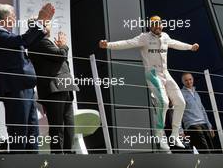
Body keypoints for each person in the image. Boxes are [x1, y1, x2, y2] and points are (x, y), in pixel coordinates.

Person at [99, 15, 199, 151]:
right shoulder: (144, 37)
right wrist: (108, 45)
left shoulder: (165, 36)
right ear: (150, 26)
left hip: (165, 73)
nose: (158, 26)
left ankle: (175, 136)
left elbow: (175, 43)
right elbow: (127, 43)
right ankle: (160, 136)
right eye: (155, 24)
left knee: (181, 102)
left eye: (160, 24)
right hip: (152, 74)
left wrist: (190, 47)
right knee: (163, 102)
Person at [0, 3, 55, 153]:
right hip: (15, 88)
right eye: (13, 16)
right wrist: (39, 21)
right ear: (4, 18)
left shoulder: (7, 35)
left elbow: (27, 41)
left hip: (25, 88)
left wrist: (42, 27)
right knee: (19, 131)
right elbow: (23, 41)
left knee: (32, 133)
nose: (15, 19)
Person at [28, 20, 79, 154]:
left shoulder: (45, 42)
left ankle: (68, 153)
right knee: (57, 126)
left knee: (69, 124)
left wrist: (60, 48)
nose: (51, 26)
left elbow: (62, 62)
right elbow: (60, 55)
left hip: (63, 86)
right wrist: (64, 46)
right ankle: (59, 155)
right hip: (54, 88)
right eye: (48, 24)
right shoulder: (39, 42)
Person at [181, 72, 215, 153]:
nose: (189, 82)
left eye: (190, 79)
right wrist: (180, 130)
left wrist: (209, 126)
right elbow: (178, 113)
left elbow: (203, 110)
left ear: (193, 79)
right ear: (182, 82)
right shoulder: (181, 93)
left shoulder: (196, 93)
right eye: (186, 80)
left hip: (204, 125)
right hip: (193, 126)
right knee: (205, 153)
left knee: (212, 150)